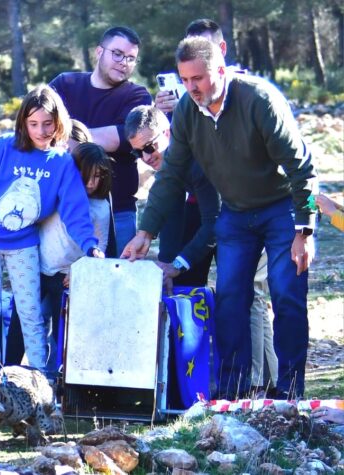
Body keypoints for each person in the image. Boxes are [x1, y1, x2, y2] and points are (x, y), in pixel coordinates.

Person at [121, 37, 318, 399]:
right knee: (229, 299)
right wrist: (146, 231)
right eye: (185, 79)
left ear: (221, 70)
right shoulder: (186, 113)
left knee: (286, 292)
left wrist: (304, 229)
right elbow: (171, 174)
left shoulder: (259, 100)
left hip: (280, 208)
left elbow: (301, 167)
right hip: (236, 212)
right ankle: (234, 394)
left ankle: (291, 393)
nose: (191, 87)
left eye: (198, 78)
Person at [157, 18, 278, 394]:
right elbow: (172, 159)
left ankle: (256, 386)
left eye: (203, 61)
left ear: (220, 54)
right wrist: (165, 110)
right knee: (225, 297)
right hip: (203, 206)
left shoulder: (248, 94)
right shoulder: (189, 98)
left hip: (250, 206)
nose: (192, 82)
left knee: (250, 295)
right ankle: (259, 383)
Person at [0, 85, 104, 379]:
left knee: (30, 315)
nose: (40, 130)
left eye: (47, 124)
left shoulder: (61, 163)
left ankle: (39, 382)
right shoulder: (2, 147)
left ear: (58, 122)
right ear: (23, 122)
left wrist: (90, 245)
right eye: (33, 123)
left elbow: (75, 210)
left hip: (24, 245)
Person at [50, 26, 152, 255]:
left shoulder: (137, 96)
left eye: (130, 58)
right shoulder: (65, 85)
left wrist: (65, 136)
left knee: (115, 280)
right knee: (58, 281)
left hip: (117, 211)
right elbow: (37, 129)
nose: (123, 62)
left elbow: (121, 137)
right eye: (117, 53)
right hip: (59, 208)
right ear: (99, 51)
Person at [124, 105, 220, 293]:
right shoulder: (169, 167)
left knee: (237, 295)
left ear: (167, 133)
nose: (146, 157)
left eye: (150, 147)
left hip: (246, 208)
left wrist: (177, 264)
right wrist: (166, 266)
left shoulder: (197, 160)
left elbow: (215, 223)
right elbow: (169, 211)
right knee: (183, 283)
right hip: (204, 208)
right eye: (138, 152)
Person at [38, 142, 113, 376]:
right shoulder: (55, 195)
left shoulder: (100, 207)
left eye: (97, 177)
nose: (91, 184)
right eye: (86, 176)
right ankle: (36, 373)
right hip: (40, 270)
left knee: (64, 329)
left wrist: (80, 271)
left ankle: (61, 377)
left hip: (69, 278)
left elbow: (99, 247)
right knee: (35, 323)